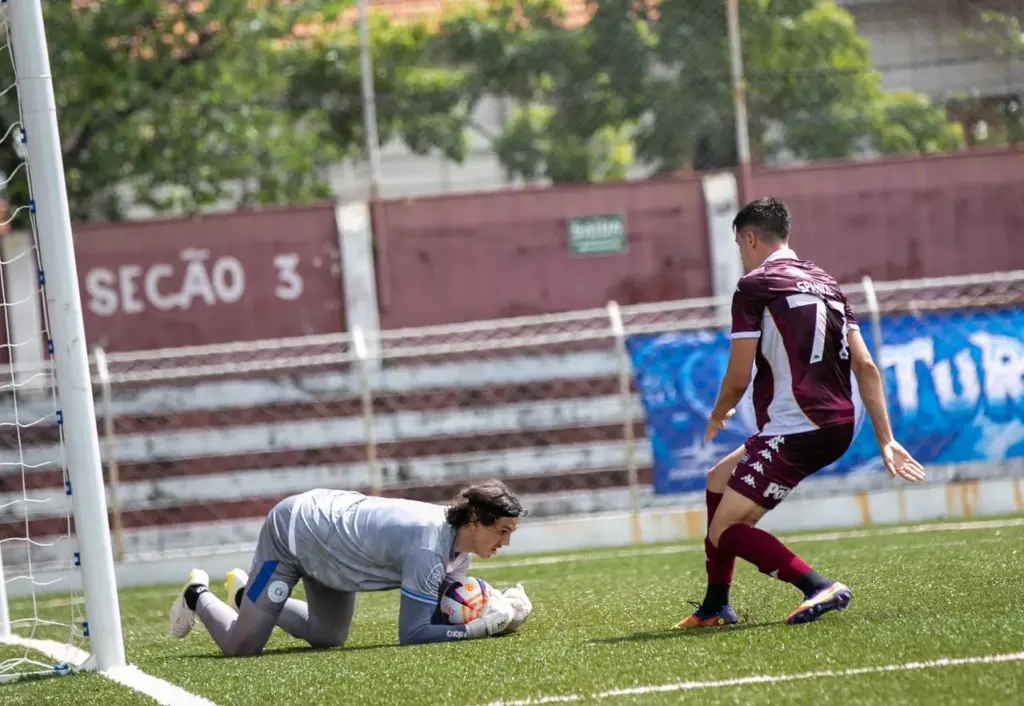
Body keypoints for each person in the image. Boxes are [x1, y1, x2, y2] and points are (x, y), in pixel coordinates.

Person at [676, 197, 926, 629]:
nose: (741, 254)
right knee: (718, 479)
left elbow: (738, 376)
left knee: (725, 531)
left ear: (750, 238)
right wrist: (886, 438)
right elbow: (865, 366)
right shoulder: (827, 283)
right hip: (834, 423)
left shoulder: (755, 285)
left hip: (799, 425)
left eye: (740, 245)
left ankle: (818, 586)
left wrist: (718, 412)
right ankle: (715, 605)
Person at [169, 480, 533, 655]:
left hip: (333, 553)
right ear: (474, 521)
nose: (506, 541)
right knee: (242, 646)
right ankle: (196, 595)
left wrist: (497, 607)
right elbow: (414, 632)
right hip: (293, 532)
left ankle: (249, 596)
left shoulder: (458, 549)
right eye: (501, 531)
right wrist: (482, 629)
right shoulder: (429, 546)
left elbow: (444, 608)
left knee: (329, 636)